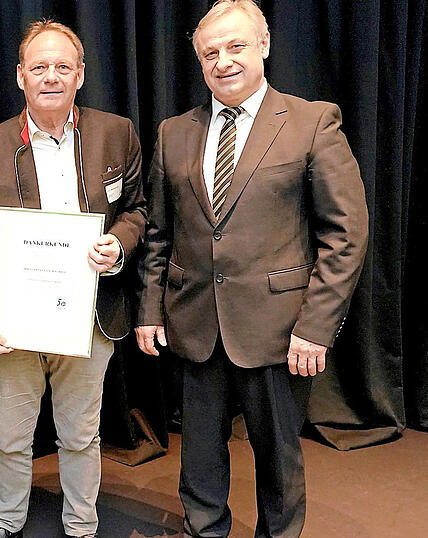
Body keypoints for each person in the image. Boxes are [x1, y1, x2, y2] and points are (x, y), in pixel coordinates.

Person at [135, 1, 369, 536]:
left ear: (264, 45)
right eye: (210, 53)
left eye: (236, 46)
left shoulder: (312, 122)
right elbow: (158, 233)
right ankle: (204, 529)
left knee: (279, 462)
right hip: (193, 322)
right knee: (198, 458)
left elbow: (346, 234)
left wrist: (315, 328)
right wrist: (151, 310)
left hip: (280, 330)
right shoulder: (174, 132)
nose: (223, 61)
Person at [0, 20, 147, 538]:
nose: (51, 76)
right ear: (20, 76)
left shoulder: (116, 133)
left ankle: (81, 526)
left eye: (63, 66)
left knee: (82, 435)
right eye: (39, 67)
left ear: (81, 75)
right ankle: (7, 523)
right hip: (14, 323)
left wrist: (120, 243)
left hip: (89, 317)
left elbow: (136, 210)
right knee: (12, 438)